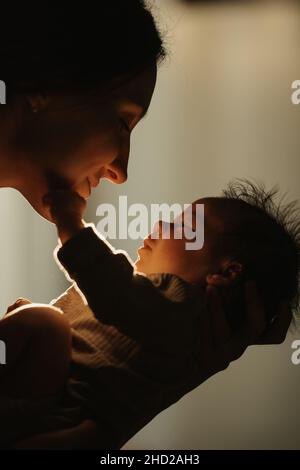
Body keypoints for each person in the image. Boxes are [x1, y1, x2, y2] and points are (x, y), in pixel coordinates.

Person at [0, 2, 291, 449]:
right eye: (122, 121)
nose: (121, 170)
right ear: (44, 86)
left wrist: (143, 387)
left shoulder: (168, 315)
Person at [1, 179, 297, 449]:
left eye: (186, 227)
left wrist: (69, 223)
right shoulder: (165, 314)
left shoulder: (181, 304)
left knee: (45, 323)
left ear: (227, 271)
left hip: (52, 405)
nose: (161, 225)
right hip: (52, 407)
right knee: (43, 320)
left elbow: (109, 290)